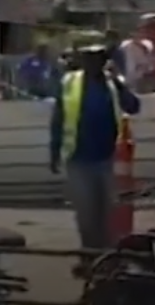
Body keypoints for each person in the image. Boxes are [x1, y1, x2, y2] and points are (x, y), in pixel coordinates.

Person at [49, 43, 142, 273]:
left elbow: (134, 106)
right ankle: (89, 258)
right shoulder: (70, 82)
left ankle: (107, 260)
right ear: (82, 61)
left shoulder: (112, 84)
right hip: (79, 158)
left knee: (108, 213)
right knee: (86, 214)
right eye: (88, 58)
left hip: (107, 158)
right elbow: (58, 119)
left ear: (104, 61)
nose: (93, 63)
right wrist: (54, 151)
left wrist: (120, 84)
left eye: (98, 58)